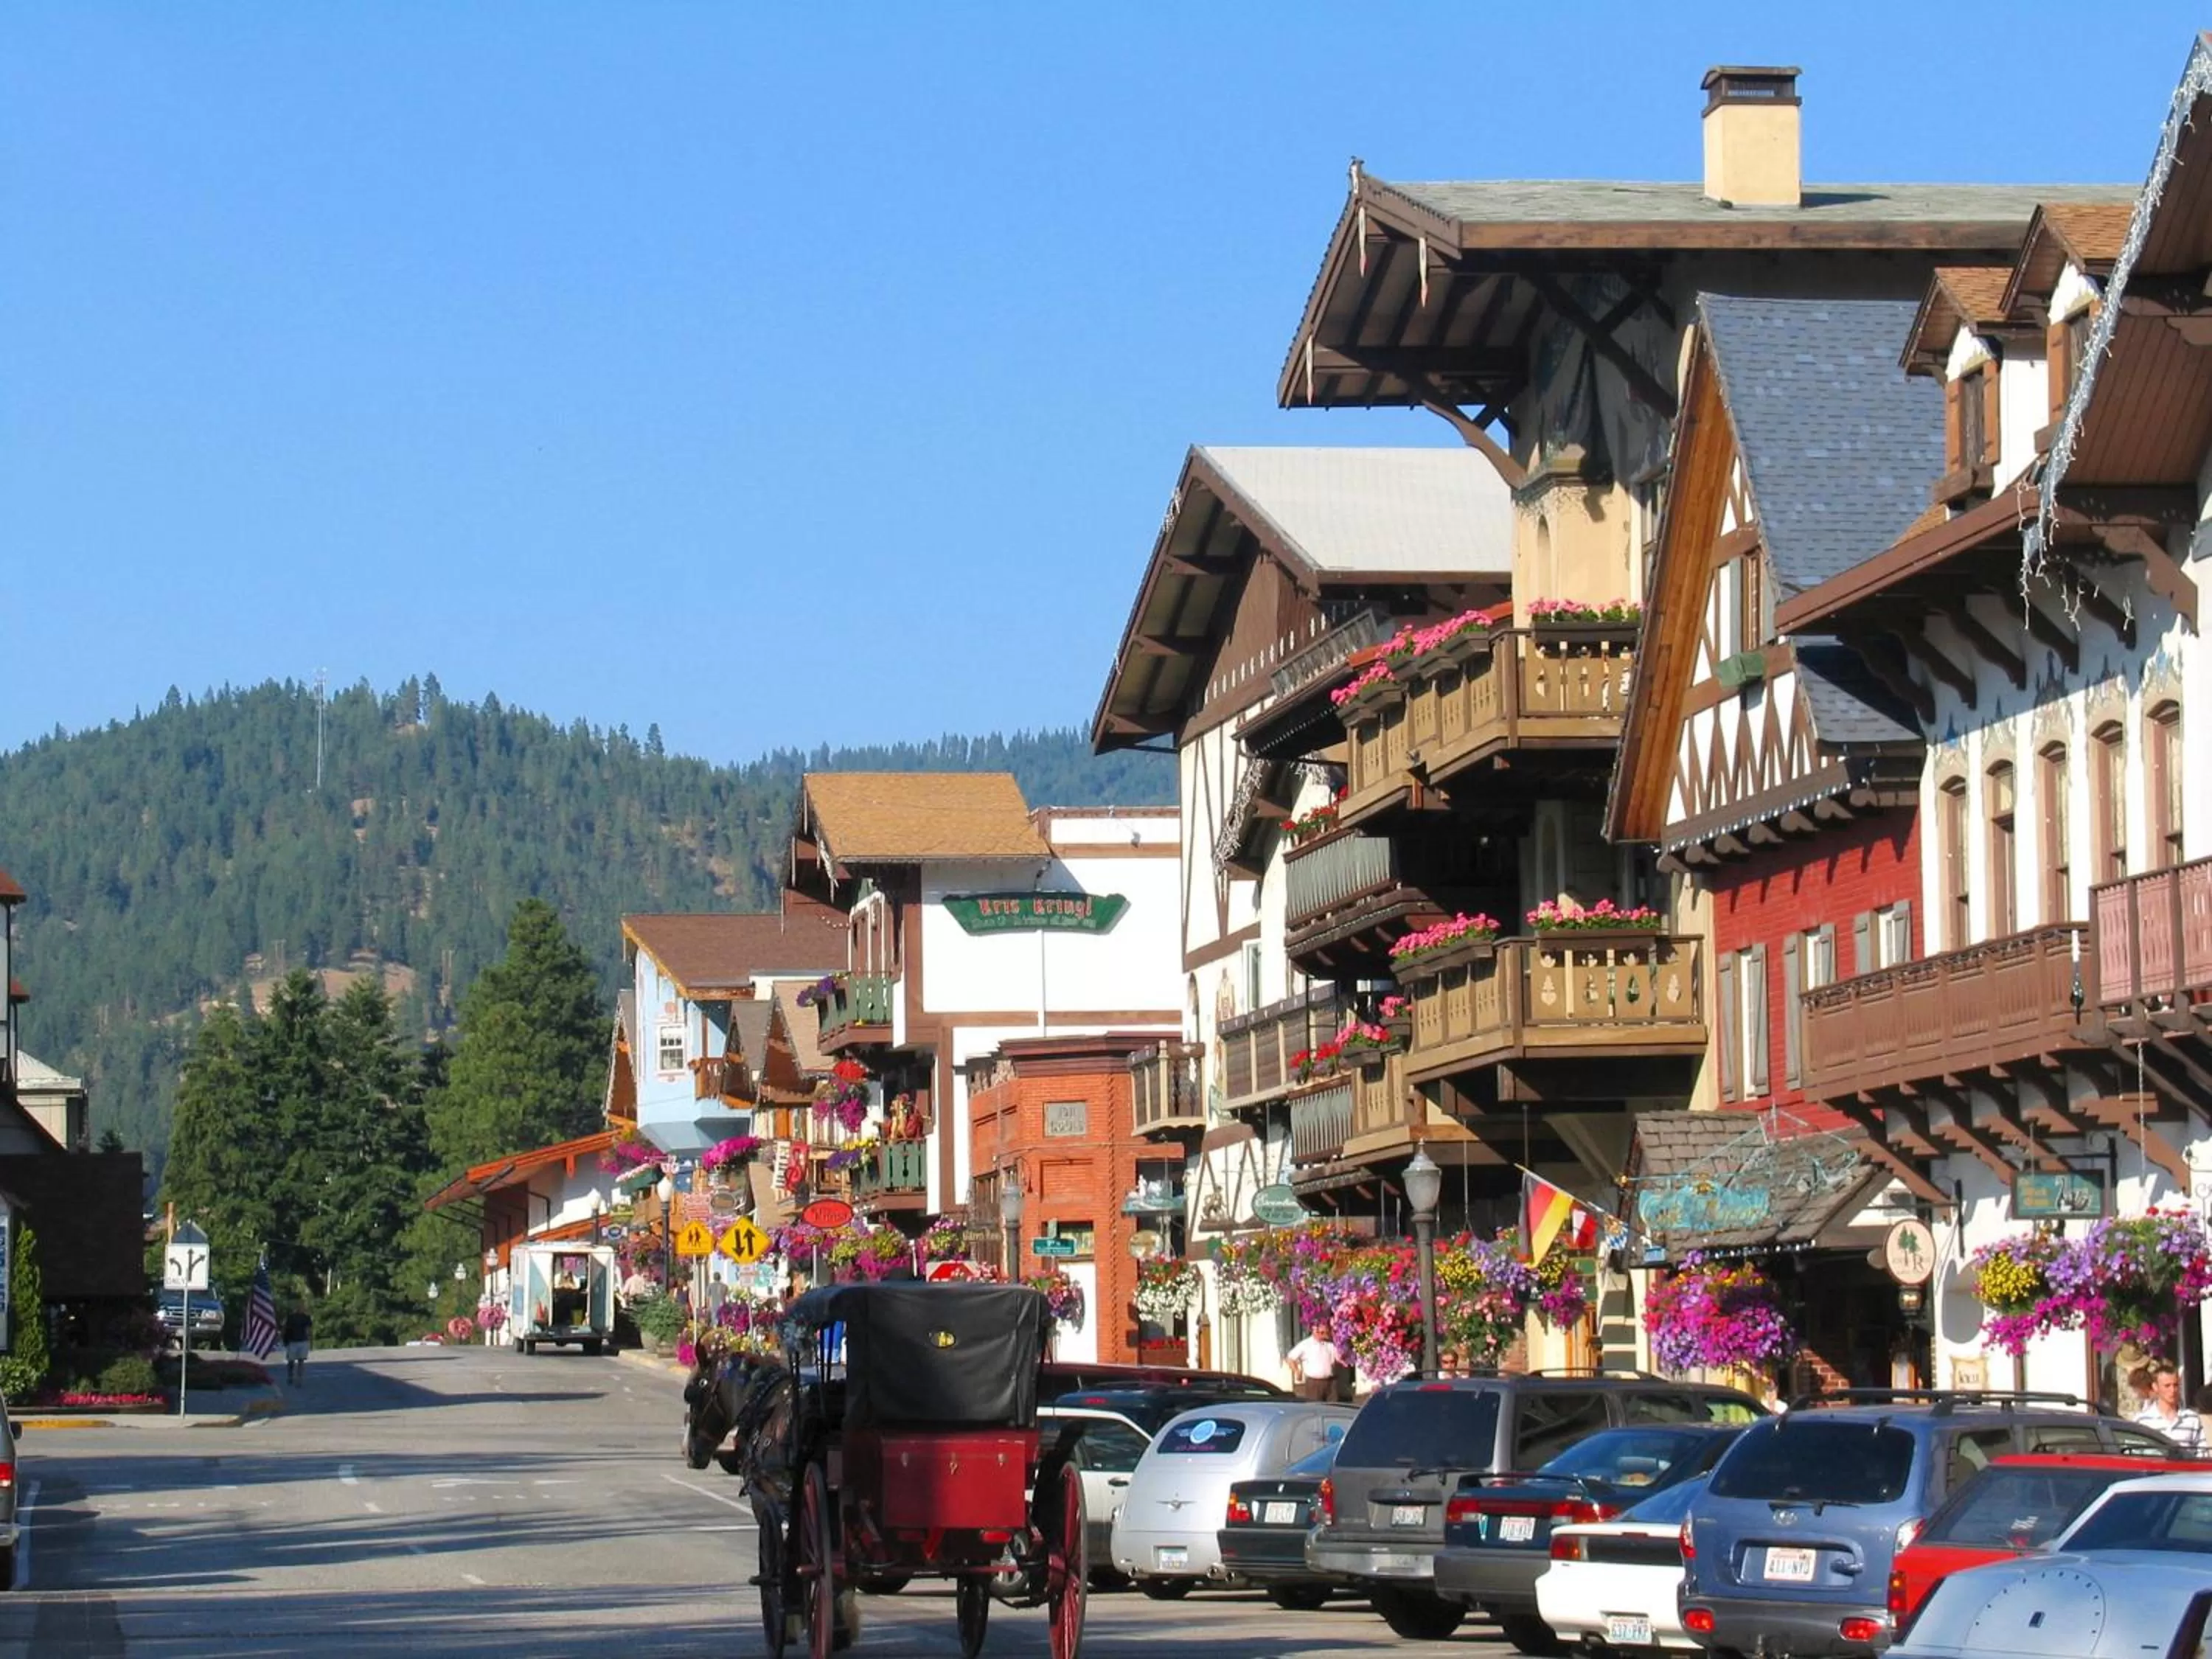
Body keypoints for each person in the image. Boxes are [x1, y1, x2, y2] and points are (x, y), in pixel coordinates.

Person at [2133, 1363, 2208, 1453]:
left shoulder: (2192, 1419)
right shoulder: (2142, 1420)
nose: (2172, 1390)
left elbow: (2202, 1454)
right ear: (2155, 1387)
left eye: (2175, 1385)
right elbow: (2136, 1455)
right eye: (2167, 1386)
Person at [1285, 1321, 1342, 1402]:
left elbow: (1339, 1358)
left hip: (1330, 1382)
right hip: (1314, 1383)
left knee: (1333, 1409)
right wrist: (1297, 1371)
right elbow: (1290, 1358)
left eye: (1326, 1332)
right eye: (1322, 1332)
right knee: (1315, 1407)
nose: (1324, 1334)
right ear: (1315, 1331)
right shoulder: (1305, 1344)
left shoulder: (1330, 1344)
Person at [281, 1305, 313, 1386]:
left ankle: (299, 1379)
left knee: (301, 1361)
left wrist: (310, 1340)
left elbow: (309, 1329)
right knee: (291, 1361)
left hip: (303, 1341)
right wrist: (283, 1337)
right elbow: (285, 1328)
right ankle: (290, 1376)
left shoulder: (306, 1318)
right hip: (292, 1341)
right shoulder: (290, 1318)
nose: (301, 1309)